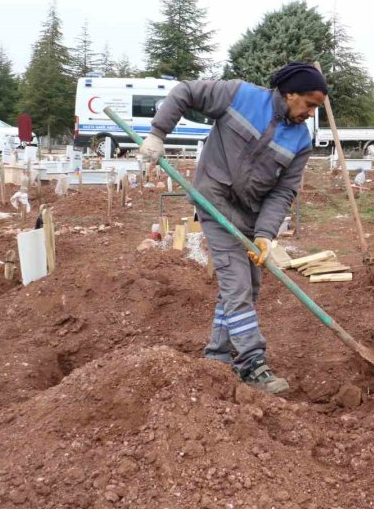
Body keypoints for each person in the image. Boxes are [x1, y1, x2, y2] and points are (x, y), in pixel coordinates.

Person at [139, 62, 327, 394]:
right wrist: (157, 134)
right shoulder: (239, 95)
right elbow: (185, 91)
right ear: (290, 93)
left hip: (252, 215)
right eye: (309, 104)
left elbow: (283, 192)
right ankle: (252, 364)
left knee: (248, 288)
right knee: (236, 283)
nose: (311, 113)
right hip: (214, 201)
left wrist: (265, 234)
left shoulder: (301, 141)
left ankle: (216, 358)